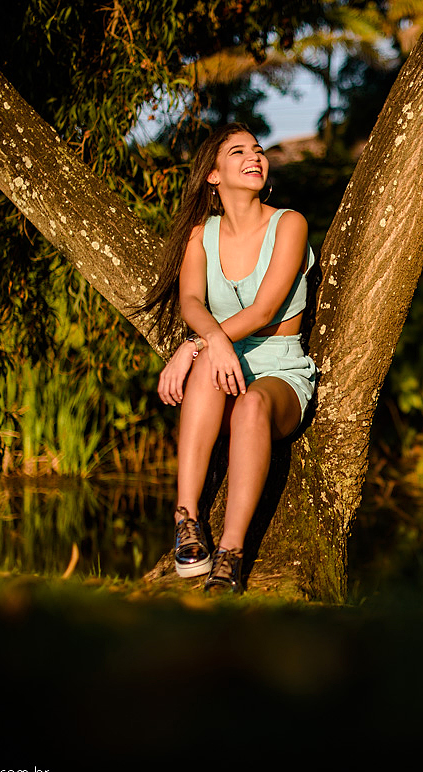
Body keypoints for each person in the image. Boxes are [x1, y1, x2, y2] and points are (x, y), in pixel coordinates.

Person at [138, 123, 317, 594]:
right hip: (221, 365)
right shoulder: (201, 236)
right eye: (238, 152)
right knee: (206, 372)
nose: (254, 156)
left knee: (252, 404)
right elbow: (191, 301)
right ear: (214, 175)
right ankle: (187, 519)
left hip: (279, 367)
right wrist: (210, 344)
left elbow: (263, 309)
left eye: (257, 150)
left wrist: (198, 343)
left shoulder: (289, 223)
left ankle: (231, 553)